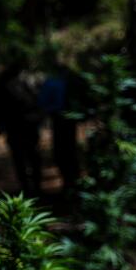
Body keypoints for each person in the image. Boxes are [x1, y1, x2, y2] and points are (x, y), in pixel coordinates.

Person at [0, 59, 43, 196]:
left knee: (26, 157)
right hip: (20, 128)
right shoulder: (16, 85)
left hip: (22, 128)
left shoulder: (20, 85)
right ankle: (31, 187)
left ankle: (32, 187)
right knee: (27, 157)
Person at [38, 63, 80, 192]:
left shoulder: (52, 82)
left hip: (58, 119)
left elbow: (42, 102)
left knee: (61, 150)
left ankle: (68, 182)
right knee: (70, 149)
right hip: (71, 119)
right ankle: (72, 182)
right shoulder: (74, 81)